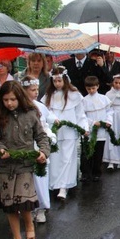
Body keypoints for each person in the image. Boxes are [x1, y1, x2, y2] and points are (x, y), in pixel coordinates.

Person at [0, 81, 50, 239]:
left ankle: (29, 227)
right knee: (9, 204)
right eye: (5, 100)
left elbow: (41, 136)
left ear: (20, 98)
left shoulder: (30, 114)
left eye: (13, 99)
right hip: (5, 166)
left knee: (23, 201)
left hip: (24, 165)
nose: (9, 103)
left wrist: (43, 152)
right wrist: (0, 149)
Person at [43, 66, 87, 200]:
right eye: (55, 81)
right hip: (55, 131)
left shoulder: (74, 95)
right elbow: (45, 112)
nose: (57, 84)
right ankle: (55, 183)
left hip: (69, 131)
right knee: (55, 158)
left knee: (67, 159)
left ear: (65, 80)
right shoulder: (49, 96)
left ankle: (64, 186)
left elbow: (80, 114)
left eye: (59, 81)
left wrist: (84, 127)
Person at [21, 76, 57, 224]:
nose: (36, 92)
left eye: (37, 89)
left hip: (38, 147)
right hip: (24, 147)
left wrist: (50, 136)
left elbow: (45, 125)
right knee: (25, 179)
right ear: (24, 90)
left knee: (40, 179)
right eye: (32, 90)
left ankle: (41, 208)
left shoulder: (39, 106)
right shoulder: (19, 107)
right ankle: (27, 208)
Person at [81, 76, 112, 183]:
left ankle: (96, 173)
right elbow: (82, 115)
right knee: (87, 153)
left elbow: (109, 111)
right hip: (90, 129)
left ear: (97, 86)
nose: (91, 91)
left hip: (101, 130)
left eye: (93, 88)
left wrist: (108, 121)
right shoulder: (84, 100)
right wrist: (93, 123)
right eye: (89, 89)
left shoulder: (104, 99)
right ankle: (86, 173)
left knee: (99, 153)